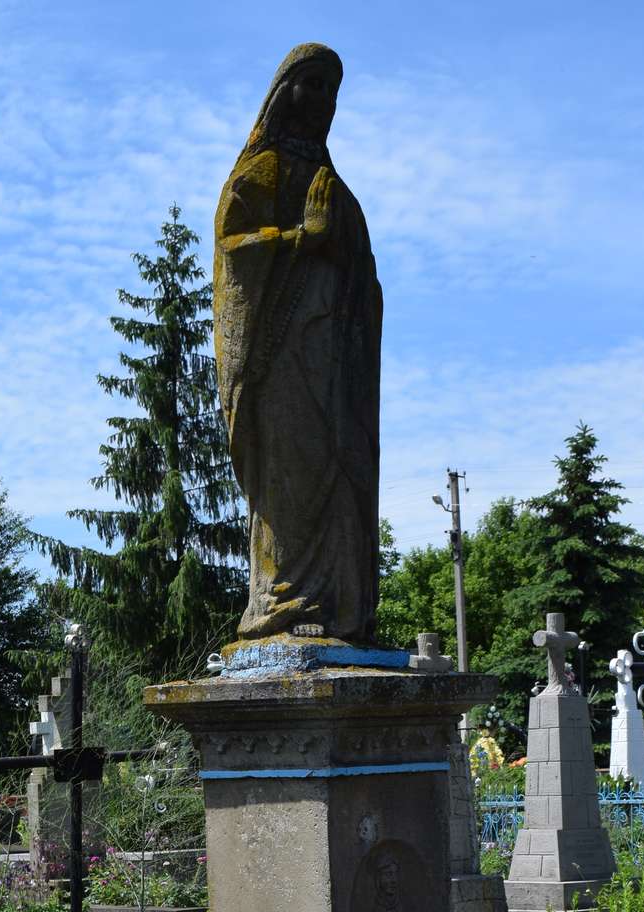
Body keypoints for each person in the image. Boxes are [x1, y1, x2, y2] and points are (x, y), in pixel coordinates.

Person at [213, 43, 382, 643]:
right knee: (294, 474)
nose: (322, 99)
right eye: (311, 83)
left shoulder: (335, 187)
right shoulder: (261, 173)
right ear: (284, 92)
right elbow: (233, 251)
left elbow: (365, 277)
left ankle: (339, 607)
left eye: (331, 89)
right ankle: (284, 602)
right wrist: (299, 239)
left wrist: (340, 251)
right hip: (280, 356)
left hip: (335, 360)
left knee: (340, 471)